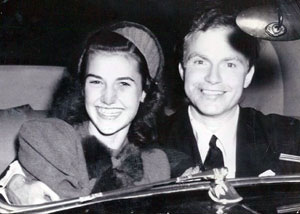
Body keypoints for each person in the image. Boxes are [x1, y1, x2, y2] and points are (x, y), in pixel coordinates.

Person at [0, 21, 170, 205]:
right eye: (96, 82)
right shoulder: (51, 139)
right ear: (83, 88)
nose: (108, 99)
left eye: (123, 84)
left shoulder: (155, 166)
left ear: (144, 92)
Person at [162, 1, 300, 179]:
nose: (213, 78)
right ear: (182, 70)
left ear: (248, 75)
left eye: (229, 64)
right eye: (200, 62)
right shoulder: (151, 143)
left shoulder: (288, 137)